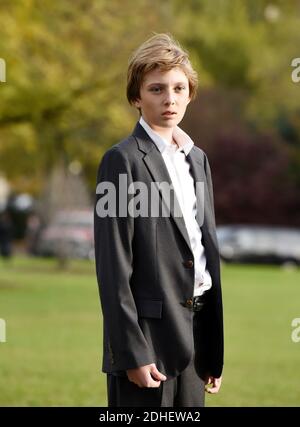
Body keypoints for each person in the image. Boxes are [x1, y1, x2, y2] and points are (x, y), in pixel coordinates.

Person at [94, 33, 224, 407]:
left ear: (190, 94)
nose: (170, 98)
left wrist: (212, 349)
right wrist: (131, 351)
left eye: (179, 88)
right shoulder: (122, 161)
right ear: (136, 97)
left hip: (197, 344)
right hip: (148, 343)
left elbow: (203, 253)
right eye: (156, 89)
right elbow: (112, 266)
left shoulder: (198, 159)